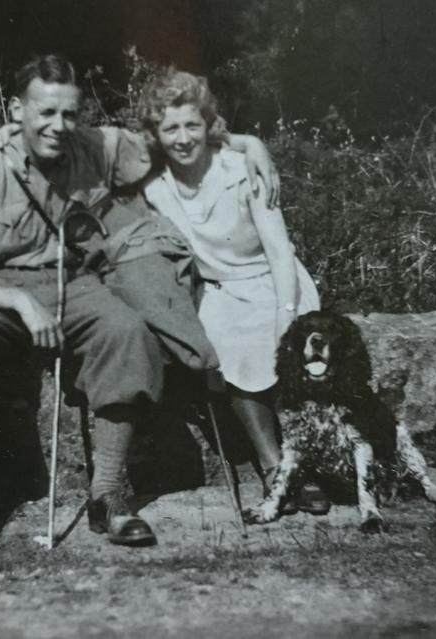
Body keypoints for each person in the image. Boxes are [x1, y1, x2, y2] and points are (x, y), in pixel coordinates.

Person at [0, 54, 277, 563]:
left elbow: (174, 138)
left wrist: (248, 143)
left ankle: (107, 497)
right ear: (17, 109)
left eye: (69, 114)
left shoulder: (97, 147)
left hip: (76, 284)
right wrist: (19, 301)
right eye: (45, 113)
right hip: (1, 291)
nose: (57, 126)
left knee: (126, 330)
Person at [137, 70, 327, 516]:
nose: (183, 138)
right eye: (170, 128)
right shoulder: (153, 186)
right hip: (219, 289)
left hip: (275, 280)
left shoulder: (243, 169)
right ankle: (275, 466)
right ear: (156, 134)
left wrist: (287, 311)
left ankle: (309, 468)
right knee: (228, 345)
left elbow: (280, 252)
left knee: (289, 346)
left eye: (192, 125)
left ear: (209, 125)